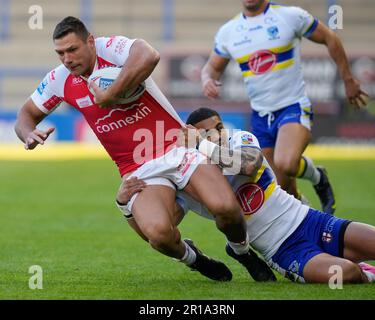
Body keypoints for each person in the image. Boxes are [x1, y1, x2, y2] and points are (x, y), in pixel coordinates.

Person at [14, 16, 276, 282]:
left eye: (72, 50)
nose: (67, 59)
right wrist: (29, 134)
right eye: (60, 53)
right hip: (136, 168)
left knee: (227, 209)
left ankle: (241, 251)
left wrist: (111, 94)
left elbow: (149, 55)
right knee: (159, 235)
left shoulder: (110, 49)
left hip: (175, 145)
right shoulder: (59, 79)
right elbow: (25, 115)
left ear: (90, 41)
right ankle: (194, 258)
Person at [121, 107, 375, 284]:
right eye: (207, 132)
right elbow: (159, 232)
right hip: (285, 250)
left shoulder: (241, 139)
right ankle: (366, 272)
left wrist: (201, 144)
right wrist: (126, 206)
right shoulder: (191, 179)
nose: (219, 134)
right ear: (194, 136)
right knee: (347, 274)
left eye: (219, 127)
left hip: (311, 221)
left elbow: (249, 165)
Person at [201, 0, 369, 215]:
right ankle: (307, 219)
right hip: (261, 116)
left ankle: (318, 176)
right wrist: (207, 80)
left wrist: (348, 79)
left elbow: (330, 37)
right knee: (283, 190)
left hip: (293, 106)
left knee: (286, 163)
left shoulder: (290, 16)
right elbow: (211, 67)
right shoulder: (229, 31)